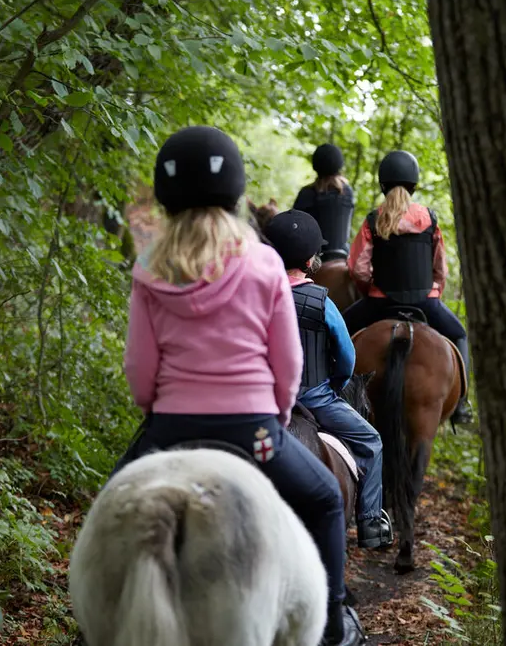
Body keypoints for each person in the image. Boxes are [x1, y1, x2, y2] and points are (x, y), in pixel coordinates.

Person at [111, 126, 364, 646]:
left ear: (166, 194)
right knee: (324, 503)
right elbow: (288, 365)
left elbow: (140, 373)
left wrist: (161, 411)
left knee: (110, 512)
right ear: (235, 195)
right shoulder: (265, 262)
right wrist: (272, 415)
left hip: (169, 429)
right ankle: (335, 625)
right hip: (254, 432)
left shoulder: (148, 268)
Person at [263, 210, 393, 550]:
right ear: (310, 259)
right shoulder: (322, 302)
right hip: (315, 397)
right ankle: (369, 524)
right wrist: (335, 383)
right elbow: (347, 357)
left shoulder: (259, 296)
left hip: (264, 398)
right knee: (372, 442)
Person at [342, 150, 474, 425]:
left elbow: (358, 268)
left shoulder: (373, 220)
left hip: (380, 302)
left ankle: (333, 389)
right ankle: (461, 405)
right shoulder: (430, 219)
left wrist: (370, 290)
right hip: (425, 303)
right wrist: (434, 289)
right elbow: (440, 265)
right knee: (460, 334)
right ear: (414, 185)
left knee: (339, 329)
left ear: (383, 184)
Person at [293, 143, 355, 261]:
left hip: (315, 258)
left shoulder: (307, 193)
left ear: (316, 166)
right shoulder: (347, 191)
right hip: (343, 253)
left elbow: (294, 229)